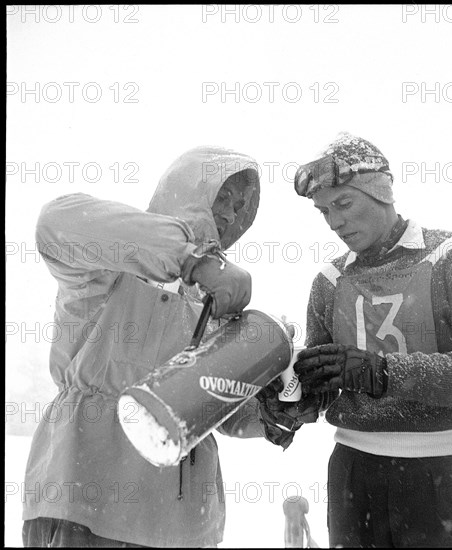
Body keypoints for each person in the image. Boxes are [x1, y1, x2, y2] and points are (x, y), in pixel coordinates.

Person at [22, 145, 278, 547]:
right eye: (221, 195)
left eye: (240, 204)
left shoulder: (219, 306)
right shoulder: (105, 269)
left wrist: (275, 413)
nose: (229, 212)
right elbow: (53, 224)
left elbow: (220, 408)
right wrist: (191, 258)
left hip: (181, 523)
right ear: (186, 190)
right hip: (85, 494)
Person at [290, 132, 452, 548]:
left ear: (381, 191)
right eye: (323, 211)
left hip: (443, 475)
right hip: (350, 476)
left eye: (344, 203)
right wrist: (297, 397)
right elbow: (327, 383)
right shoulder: (328, 282)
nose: (334, 222)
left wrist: (381, 372)